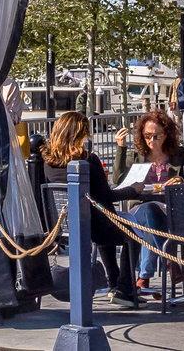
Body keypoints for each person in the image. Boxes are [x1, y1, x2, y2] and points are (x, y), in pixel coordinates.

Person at [40, 111, 140, 305]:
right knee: (132, 237)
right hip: (91, 224)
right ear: (80, 134)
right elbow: (107, 196)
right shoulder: (88, 160)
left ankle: (114, 284)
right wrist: (133, 190)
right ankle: (125, 288)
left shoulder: (48, 163)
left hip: (65, 226)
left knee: (110, 229)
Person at [120, 110, 184, 292]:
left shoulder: (177, 155)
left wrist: (180, 181)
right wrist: (121, 149)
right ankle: (169, 261)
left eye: (156, 136)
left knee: (151, 226)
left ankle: (144, 277)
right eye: (147, 136)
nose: (151, 141)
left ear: (166, 135)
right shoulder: (137, 155)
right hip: (139, 208)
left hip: (169, 208)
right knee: (149, 211)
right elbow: (118, 180)